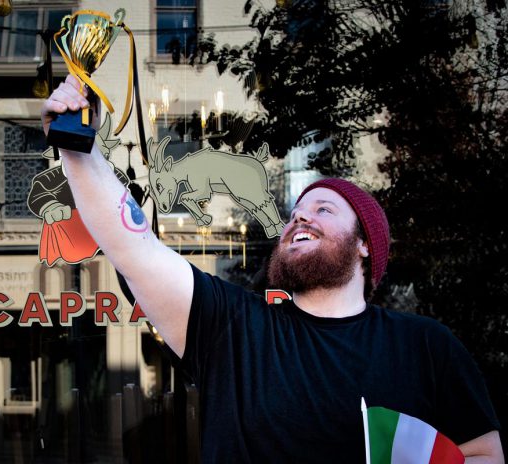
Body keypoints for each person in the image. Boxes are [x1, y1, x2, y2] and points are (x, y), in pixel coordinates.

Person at [41, 75, 504, 463]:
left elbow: (484, 454)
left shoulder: (426, 347)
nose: (301, 217)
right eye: (297, 212)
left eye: (324, 209)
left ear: (365, 244)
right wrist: (80, 153)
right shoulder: (233, 328)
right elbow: (133, 246)